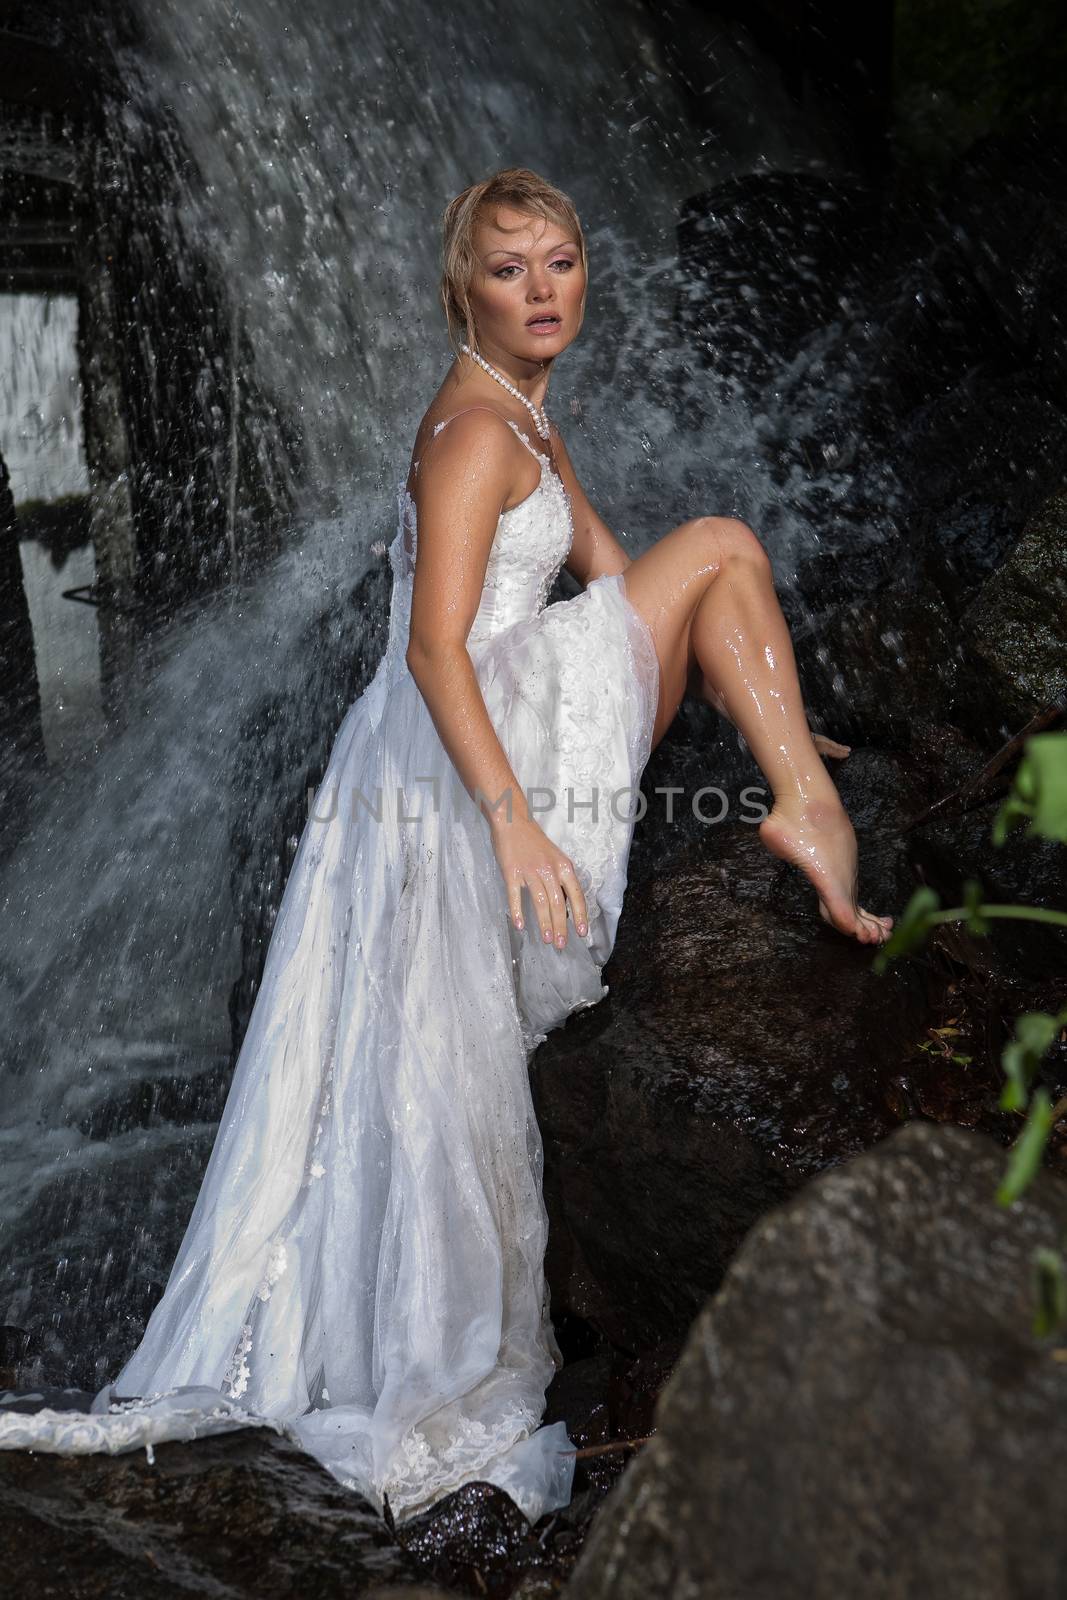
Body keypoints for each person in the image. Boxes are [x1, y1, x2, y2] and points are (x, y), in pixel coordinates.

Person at [0, 167, 892, 1526]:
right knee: (720, 541)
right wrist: (515, 819)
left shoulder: (528, 410)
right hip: (465, 737)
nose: (544, 292)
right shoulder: (473, 434)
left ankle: (796, 778)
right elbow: (429, 650)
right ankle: (803, 813)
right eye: (510, 270)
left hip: (510, 700)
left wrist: (761, 690)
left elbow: (606, 567)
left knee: (710, 558)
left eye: (563, 263)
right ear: (459, 290)